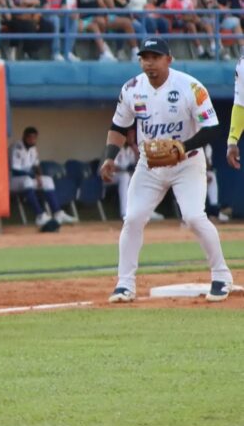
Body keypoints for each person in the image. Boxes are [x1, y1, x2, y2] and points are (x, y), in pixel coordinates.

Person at [97, 38, 232, 302]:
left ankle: (221, 276)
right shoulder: (132, 89)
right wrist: (109, 157)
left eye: (155, 57)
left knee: (193, 217)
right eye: (144, 58)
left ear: (168, 59)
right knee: (133, 218)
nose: (149, 63)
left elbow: (213, 127)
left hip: (187, 162)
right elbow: (118, 127)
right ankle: (125, 284)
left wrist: (184, 146)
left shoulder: (190, 87)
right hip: (150, 164)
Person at [10, 126, 78, 232]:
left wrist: (39, 177)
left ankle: (57, 213)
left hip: (27, 178)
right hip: (13, 180)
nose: (33, 140)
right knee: (27, 181)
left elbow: (36, 165)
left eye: (34, 138)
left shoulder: (33, 148)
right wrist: (34, 176)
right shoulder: (17, 147)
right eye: (30, 138)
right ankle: (40, 215)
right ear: (24, 137)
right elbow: (15, 170)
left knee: (48, 181)